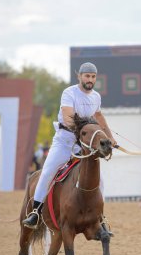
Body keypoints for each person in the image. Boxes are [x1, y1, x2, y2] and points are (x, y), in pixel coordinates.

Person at [23, 62, 116, 232]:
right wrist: (86, 131)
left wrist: (109, 137)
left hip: (84, 144)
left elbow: (99, 116)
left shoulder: (96, 97)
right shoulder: (69, 93)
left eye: (93, 76)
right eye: (87, 76)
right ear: (79, 76)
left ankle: (100, 218)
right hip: (65, 142)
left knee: (100, 180)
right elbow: (67, 118)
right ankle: (36, 211)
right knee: (48, 171)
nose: (90, 79)